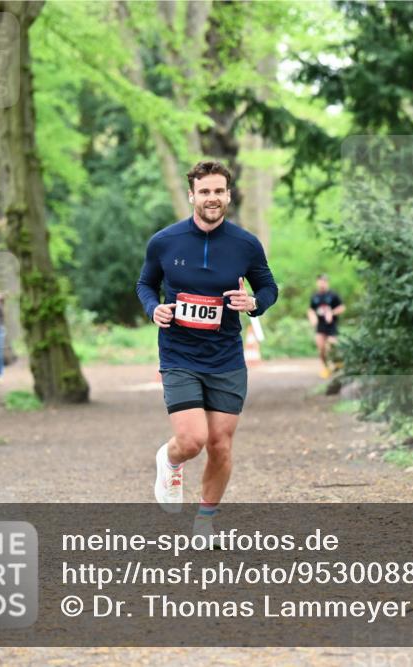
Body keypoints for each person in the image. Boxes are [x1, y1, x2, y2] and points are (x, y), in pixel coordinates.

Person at [136, 160, 277, 544]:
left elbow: (268, 288)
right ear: (191, 195)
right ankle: (170, 459)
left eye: (218, 191)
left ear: (228, 195)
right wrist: (154, 309)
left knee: (220, 444)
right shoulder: (165, 241)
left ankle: (205, 521)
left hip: (226, 357)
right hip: (179, 353)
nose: (212, 198)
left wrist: (253, 303)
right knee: (193, 440)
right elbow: (145, 284)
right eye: (205, 191)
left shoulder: (245, 245)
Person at [307, 274, 345, 378]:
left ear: (327, 282)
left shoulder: (333, 295)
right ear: (317, 282)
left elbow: (342, 307)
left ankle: (338, 364)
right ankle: (325, 367)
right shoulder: (315, 296)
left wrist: (332, 313)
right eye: (320, 281)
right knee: (321, 349)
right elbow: (310, 309)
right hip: (320, 326)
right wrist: (312, 318)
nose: (322, 283)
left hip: (331, 325)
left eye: (324, 281)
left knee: (332, 345)